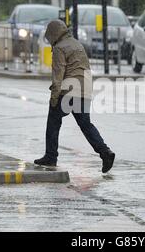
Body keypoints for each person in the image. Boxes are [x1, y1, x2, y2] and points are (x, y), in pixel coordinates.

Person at [34, 20, 116, 174]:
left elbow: (58, 75)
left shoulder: (59, 48)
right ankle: (105, 152)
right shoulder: (77, 44)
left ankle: (51, 156)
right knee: (86, 125)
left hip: (69, 92)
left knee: (53, 120)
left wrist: (54, 98)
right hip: (84, 90)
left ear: (53, 35)